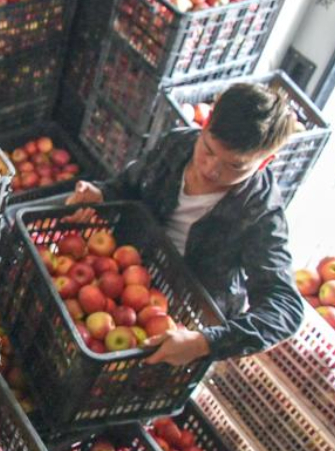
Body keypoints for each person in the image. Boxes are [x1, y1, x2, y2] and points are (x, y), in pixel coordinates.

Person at [65, 83, 304, 366]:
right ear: (207, 124)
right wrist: (100, 193)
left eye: (235, 166)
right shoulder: (177, 145)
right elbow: (128, 187)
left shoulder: (261, 213)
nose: (211, 169)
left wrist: (206, 342)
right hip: (120, 274)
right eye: (208, 150)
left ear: (265, 162)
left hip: (183, 320)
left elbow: (285, 306)